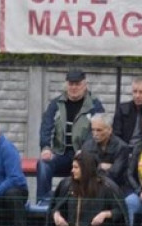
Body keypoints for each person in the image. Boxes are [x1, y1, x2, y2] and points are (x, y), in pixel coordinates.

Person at [36, 68, 104, 204]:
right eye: (71, 84)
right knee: (43, 164)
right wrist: (45, 148)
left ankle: (83, 204)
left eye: (77, 84)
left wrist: (85, 150)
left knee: (90, 167)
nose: (74, 87)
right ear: (66, 84)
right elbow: (46, 126)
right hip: (60, 154)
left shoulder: (95, 105)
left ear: (85, 85)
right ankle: (43, 203)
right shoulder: (56, 104)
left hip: (84, 155)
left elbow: (97, 131)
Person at [45, 152, 125, 226]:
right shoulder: (67, 184)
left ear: (85, 168)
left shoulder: (105, 186)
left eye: (76, 167)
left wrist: (105, 214)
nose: (72, 170)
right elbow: (56, 206)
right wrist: (56, 215)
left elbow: (119, 210)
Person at [80, 113, 131, 193]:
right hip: (91, 187)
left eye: (99, 130)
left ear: (109, 130)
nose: (95, 134)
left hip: (116, 188)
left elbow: (115, 174)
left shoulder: (121, 147)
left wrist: (96, 168)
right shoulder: (87, 146)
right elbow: (84, 171)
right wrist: (101, 166)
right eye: (93, 130)